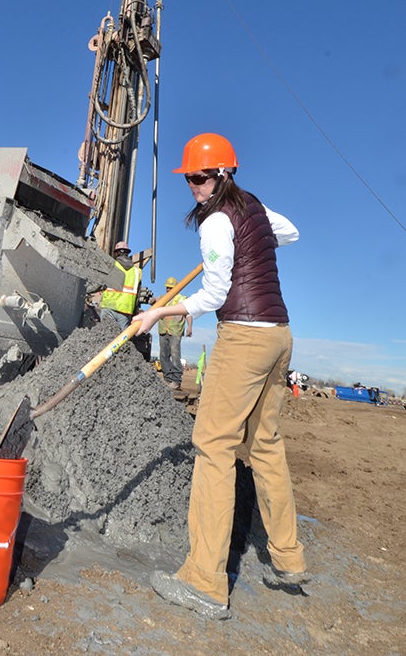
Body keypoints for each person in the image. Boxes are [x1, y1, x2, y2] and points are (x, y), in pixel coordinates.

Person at [131, 133, 308, 620]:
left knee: (214, 446)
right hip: (280, 336)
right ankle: (289, 558)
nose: (193, 185)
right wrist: (253, 231)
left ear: (222, 174)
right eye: (189, 177)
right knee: (265, 443)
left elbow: (214, 294)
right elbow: (289, 231)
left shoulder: (214, 223)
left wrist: (157, 315)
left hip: (246, 338)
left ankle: (204, 582)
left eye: (200, 176)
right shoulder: (252, 206)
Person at [101, 241, 153, 360]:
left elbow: (101, 283)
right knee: (121, 341)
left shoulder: (110, 266)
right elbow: (137, 295)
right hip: (125, 311)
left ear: (116, 253)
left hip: (108, 306)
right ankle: (119, 362)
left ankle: (103, 362)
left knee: (104, 337)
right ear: (127, 253)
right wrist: (134, 313)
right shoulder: (136, 272)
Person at [157, 276, 188, 390]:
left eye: (171, 288)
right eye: (167, 288)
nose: (168, 290)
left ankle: (176, 380)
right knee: (163, 355)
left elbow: (188, 313)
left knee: (175, 355)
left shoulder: (182, 299)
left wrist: (190, 327)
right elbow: (153, 303)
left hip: (175, 331)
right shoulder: (162, 298)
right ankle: (168, 378)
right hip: (163, 329)